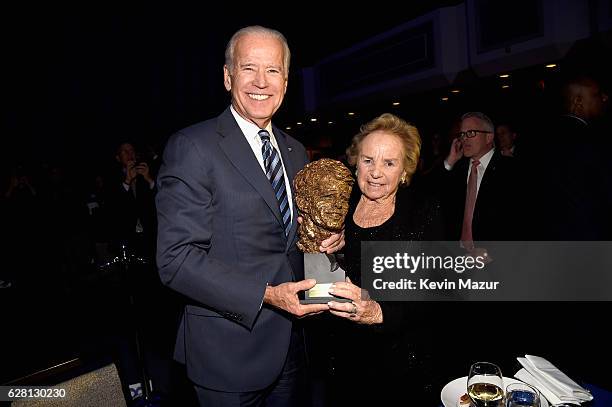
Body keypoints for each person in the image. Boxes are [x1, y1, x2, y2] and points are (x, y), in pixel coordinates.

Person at [156, 25, 343, 406]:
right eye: (248, 69)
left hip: (293, 346)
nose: (261, 82)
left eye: (273, 70)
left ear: (286, 82)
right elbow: (175, 260)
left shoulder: (294, 150)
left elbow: (293, 237)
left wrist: (329, 241)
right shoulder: (193, 146)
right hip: (228, 354)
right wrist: (267, 296)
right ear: (228, 77)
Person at [323, 113, 444, 405]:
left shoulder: (423, 211)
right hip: (344, 352)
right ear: (355, 162)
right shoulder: (340, 204)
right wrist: (329, 247)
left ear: (404, 170)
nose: (376, 172)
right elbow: (334, 271)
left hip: (401, 360)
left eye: (389, 163)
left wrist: (378, 312)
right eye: (368, 160)